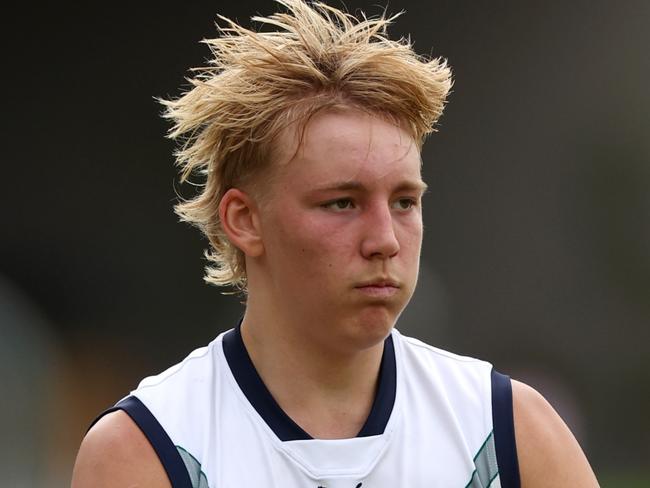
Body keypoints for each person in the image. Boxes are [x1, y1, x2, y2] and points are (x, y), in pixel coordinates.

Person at [71, 1, 599, 486]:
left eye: (404, 201)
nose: (385, 240)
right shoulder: (150, 447)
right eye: (342, 203)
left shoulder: (508, 430)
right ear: (244, 220)